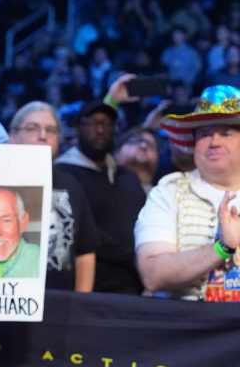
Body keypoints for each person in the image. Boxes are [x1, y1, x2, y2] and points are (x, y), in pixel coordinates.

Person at [136, 84, 240, 301]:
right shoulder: (169, 191)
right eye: (204, 135)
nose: (214, 142)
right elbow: (153, 275)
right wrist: (221, 248)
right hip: (186, 321)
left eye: (225, 133)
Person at [54, 100, 147, 294]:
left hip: (136, 284)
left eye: (106, 123)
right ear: (78, 128)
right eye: (93, 123)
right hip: (93, 285)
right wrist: (131, 257)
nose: (100, 130)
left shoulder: (127, 177)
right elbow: (81, 228)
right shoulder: (64, 174)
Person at [9, 101, 99, 291]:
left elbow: (85, 251)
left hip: (61, 301)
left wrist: (82, 300)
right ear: (13, 136)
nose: (43, 136)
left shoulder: (71, 184)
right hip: (7, 299)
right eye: (32, 128)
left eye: (51, 130)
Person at [114, 127, 160, 194]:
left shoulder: (163, 196)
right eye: (136, 141)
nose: (144, 146)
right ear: (116, 153)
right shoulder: (103, 185)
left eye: (150, 145)